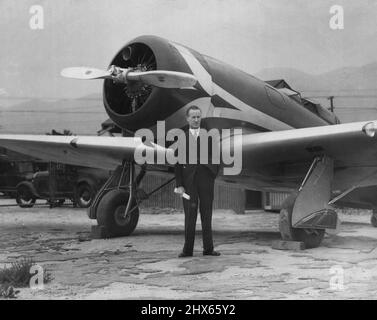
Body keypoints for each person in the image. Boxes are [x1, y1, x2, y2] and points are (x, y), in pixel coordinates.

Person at [175, 105, 220, 257]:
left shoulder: (209, 136)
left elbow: (216, 157)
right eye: (193, 117)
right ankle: (187, 250)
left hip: (206, 181)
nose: (196, 120)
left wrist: (211, 174)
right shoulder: (182, 138)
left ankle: (209, 249)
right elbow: (178, 164)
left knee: (207, 215)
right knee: (190, 216)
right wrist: (179, 185)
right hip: (188, 183)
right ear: (187, 119)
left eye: (198, 117)